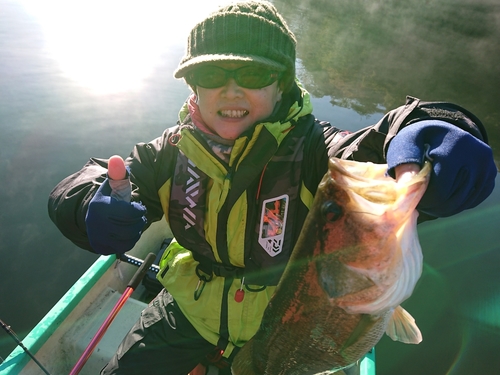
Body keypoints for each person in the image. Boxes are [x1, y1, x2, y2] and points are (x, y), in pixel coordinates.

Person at [48, 1, 496, 374]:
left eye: (254, 74)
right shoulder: (169, 150)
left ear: (282, 82)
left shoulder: (316, 150)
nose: (231, 90)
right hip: (188, 309)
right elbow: (89, 183)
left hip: (293, 323)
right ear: (191, 85)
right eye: (212, 74)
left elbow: (377, 143)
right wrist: (87, 201)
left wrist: (438, 128)